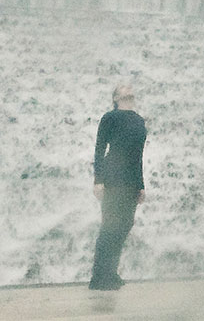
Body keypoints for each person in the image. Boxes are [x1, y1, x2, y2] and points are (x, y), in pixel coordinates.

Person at [90, 85, 148, 290]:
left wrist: (141, 186)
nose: (129, 95)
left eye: (131, 93)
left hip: (131, 180)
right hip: (113, 176)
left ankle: (111, 272)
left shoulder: (139, 121)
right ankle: (98, 278)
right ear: (115, 97)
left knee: (125, 225)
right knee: (109, 227)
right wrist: (98, 180)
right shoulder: (109, 118)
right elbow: (99, 149)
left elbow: (138, 155)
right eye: (124, 93)